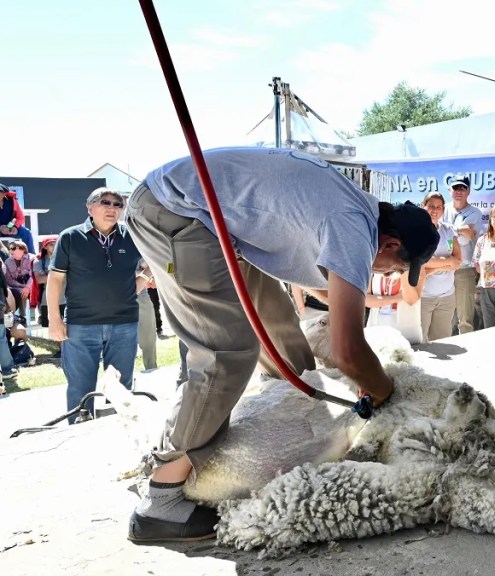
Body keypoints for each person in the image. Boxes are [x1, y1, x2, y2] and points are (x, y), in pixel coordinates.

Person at [123, 147, 438, 543]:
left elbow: (321, 286)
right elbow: (347, 348)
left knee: (279, 325)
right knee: (227, 351)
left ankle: (283, 406)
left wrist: (359, 369)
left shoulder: (362, 211)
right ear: (390, 245)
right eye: (393, 268)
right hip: (175, 210)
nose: (387, 274)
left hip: (217, 221)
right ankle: (161, 500)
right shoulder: (354, 227)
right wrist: (382, 391)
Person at [47, 188, 143, 420]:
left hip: (124, 325)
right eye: (105, 202)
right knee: (81, 391)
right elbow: (55, 279)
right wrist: (54, 319)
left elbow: (160, 260)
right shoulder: (70, 237)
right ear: (89, 207)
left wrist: (145, 279)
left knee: (120, 390)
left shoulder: (132, 237)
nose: (112, 208)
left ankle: (118, 437)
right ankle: (79, 439)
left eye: (118, 204)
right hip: (81, 326)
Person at [441, 175, 485, 335]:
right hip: (442, 268)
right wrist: (459, 229)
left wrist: (446, 229)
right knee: (444, 316)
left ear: (468, 191)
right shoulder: (442, 208)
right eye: (455, 188)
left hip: (464, 269)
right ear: (449, 190)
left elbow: (466, 240)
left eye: (462, 188)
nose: (458, 191)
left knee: (465, 319)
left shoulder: (475, 212)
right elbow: (458, 233)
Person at [418, 192, 461, 342]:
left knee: (442, 341)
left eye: (439, 207)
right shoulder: (418, 231)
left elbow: (457, 261)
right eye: (431, 206)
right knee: (419, 342)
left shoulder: (449, 230)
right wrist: (447, 261)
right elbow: (422, 260)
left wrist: (432, 268)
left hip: (446, 297)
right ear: (423, 207)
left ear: (443, 210)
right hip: (423, 297)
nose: (435, 210)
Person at [33, 237, 64, 330]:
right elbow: (39, 279)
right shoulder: (39, 261)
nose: (54, 247)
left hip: (65, 300)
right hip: (47, 301)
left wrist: (49, 276)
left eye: (56, 244)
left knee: (67, 328)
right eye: (51, 245)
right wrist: (59, 275)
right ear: (45, 247)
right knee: (49, 329)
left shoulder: (64, 259)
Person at [0, 184, 36, 254]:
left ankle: (31, 257)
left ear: (4, 193)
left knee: (26, 232)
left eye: (1, 192)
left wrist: (15, 227)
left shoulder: (12, 202)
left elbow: (20, 217)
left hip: (9, 228)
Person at [3, 240, 33, 320]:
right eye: (10, 248)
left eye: (13, 249)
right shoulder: (8, 262)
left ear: (22, 249)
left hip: (32, 284)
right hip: (18, 285)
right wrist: (22, 286)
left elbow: (33, 276)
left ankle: (43, 314)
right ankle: (22, 317)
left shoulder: (32, 258)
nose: (10, 251)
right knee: (20, 292)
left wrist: (28, 287)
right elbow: (9, 280)